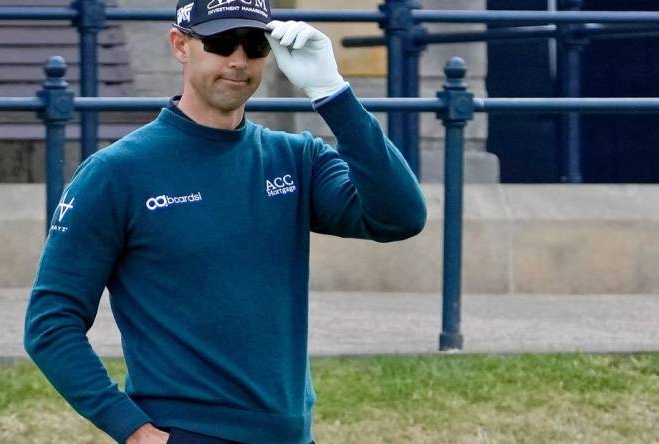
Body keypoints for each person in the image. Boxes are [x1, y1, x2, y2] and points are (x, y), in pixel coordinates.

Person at [23, 0, 426, 442]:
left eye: (255, 45)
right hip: (186, 431)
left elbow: (400, 216)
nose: (238, 60)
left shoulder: (296, 158)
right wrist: (130, 427)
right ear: (180, 45)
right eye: (219, 42)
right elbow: (51, 321)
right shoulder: (116, 172)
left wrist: (333, 93)